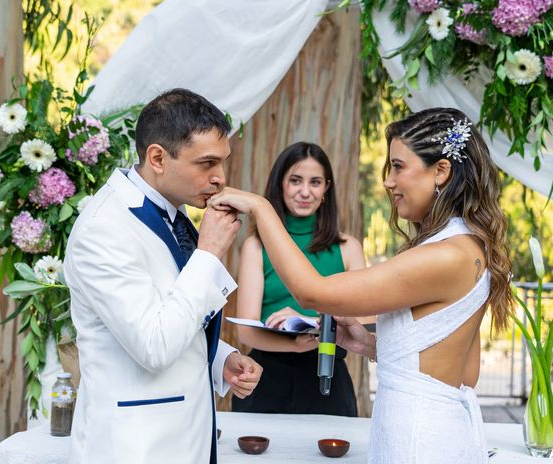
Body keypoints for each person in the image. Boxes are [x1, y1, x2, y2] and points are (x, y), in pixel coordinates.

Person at [210, 107, 513, 464]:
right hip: (432, 433)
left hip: (419, 442)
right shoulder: (465, 246)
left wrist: (261, 208)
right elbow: (462, 372)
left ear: (441, 172)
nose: (388, 181)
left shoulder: (445, 256)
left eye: (398, 167)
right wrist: (366, 343)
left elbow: (312, 293)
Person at [64, 88, 263, 464]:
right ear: (157, 157)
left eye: (223, 162)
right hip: (135, 448)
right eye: (206, 164)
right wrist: (208, 254)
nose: (221, 178)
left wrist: (220, 358)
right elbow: (153, 345)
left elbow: (164, 309)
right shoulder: (103, 228)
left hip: (186, 437)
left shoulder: (173, 213)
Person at [232, 142, 364, 416]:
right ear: (280, 184)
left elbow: (365, 323)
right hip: (265, 379)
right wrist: (292, 344)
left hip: (328, 380)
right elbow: (245, 331)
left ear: (326, 188)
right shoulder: (256, 247)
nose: (305, 192)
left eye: (315, 182)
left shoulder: (348, 248)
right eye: (295, 181)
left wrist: (314, 326)